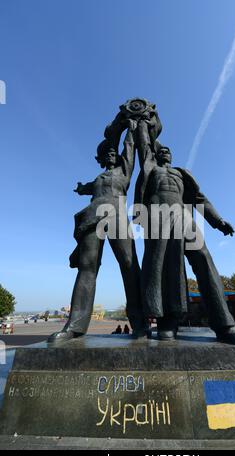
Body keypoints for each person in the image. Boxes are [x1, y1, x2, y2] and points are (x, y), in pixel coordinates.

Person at [134, 119, 235, 346]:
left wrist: (218, 221)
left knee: (204, 260)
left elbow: (199, 199)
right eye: (162, 151)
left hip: (184, 218)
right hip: (157, 219)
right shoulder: (151, 170)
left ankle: (226, 325)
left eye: (169, 151)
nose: (166, 152)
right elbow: (145, 146)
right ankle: (168, 322)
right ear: (157, 155)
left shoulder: (181, 173)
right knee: (163, 268)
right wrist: (144, 124)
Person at [48, 120, 147, 343]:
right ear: (102, 159)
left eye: (114, 152)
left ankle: (140, 323)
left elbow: (129, 150)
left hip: (118, 217)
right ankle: (75, 326)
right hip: (93, 218)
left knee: (130, 266)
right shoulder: (98, 180)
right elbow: (84, 188)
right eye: (108, 153)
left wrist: (130, 129)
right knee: (87, 267)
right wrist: (82, 187)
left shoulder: (124, 172)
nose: (112, 154)